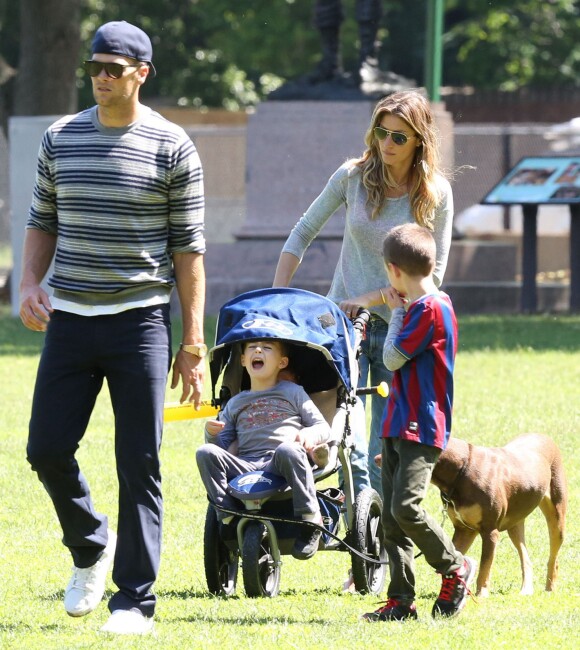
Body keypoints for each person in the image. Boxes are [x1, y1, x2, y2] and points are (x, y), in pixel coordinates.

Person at [19, 21, 206, 636]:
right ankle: (90, 546)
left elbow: (188, 250)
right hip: (71, 318)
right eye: (96, 66)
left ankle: (135, 601)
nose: (101, 77)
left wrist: (192, 343)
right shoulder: (60, 137)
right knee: (45, 449)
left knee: (139, 461)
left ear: (141, 74)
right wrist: (28, 285)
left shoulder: (172, 145)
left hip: (141, 323)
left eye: (114, 69)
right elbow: (41, 218)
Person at [273, 89, 454, 499]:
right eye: (380, 132)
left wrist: (376, 298)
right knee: (344, 436)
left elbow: (434, 274)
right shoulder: (352, 177)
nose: (386, 144)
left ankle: (382, 541)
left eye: (399, 137)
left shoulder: (436, 192)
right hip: (344, 327)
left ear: (420, 142)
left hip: (402, 331)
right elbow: (302, 232)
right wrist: (275, 296)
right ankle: (361, 536)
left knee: (381, 445)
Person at [362, 223, 475, 622]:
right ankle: (401, 600)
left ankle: (454, 566)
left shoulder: (429, 310)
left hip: (420, 427)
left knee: (406, 508)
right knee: (393, 519)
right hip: (398, 421)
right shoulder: (424, 307)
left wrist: (394, 313)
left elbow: (391, 359)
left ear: (393, 270)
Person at [196, 340, 336, 560]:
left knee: (289, 449)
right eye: (251, 348)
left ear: (282, 362)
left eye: (266, 348)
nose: (258, 350)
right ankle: (228, 514)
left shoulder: (293, 392)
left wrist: (309, 435)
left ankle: (311, 520)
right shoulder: (235, 403)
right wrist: (212, 435)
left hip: (279, 463)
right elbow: (222, 447)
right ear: (243, 360)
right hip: (247, 464)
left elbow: (323, 427)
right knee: (205, 452)